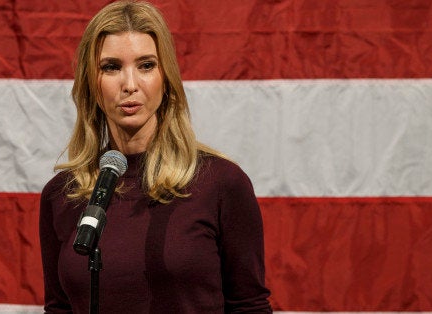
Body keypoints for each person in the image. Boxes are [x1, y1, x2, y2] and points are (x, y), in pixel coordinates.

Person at [39, 1, 272, 313]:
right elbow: (60, 309)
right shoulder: (61, 194)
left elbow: (249, 307)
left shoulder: (222, 183)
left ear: (167, 78)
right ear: (90, 85)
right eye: (111, 67)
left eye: (146, 66)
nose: (130, 85)